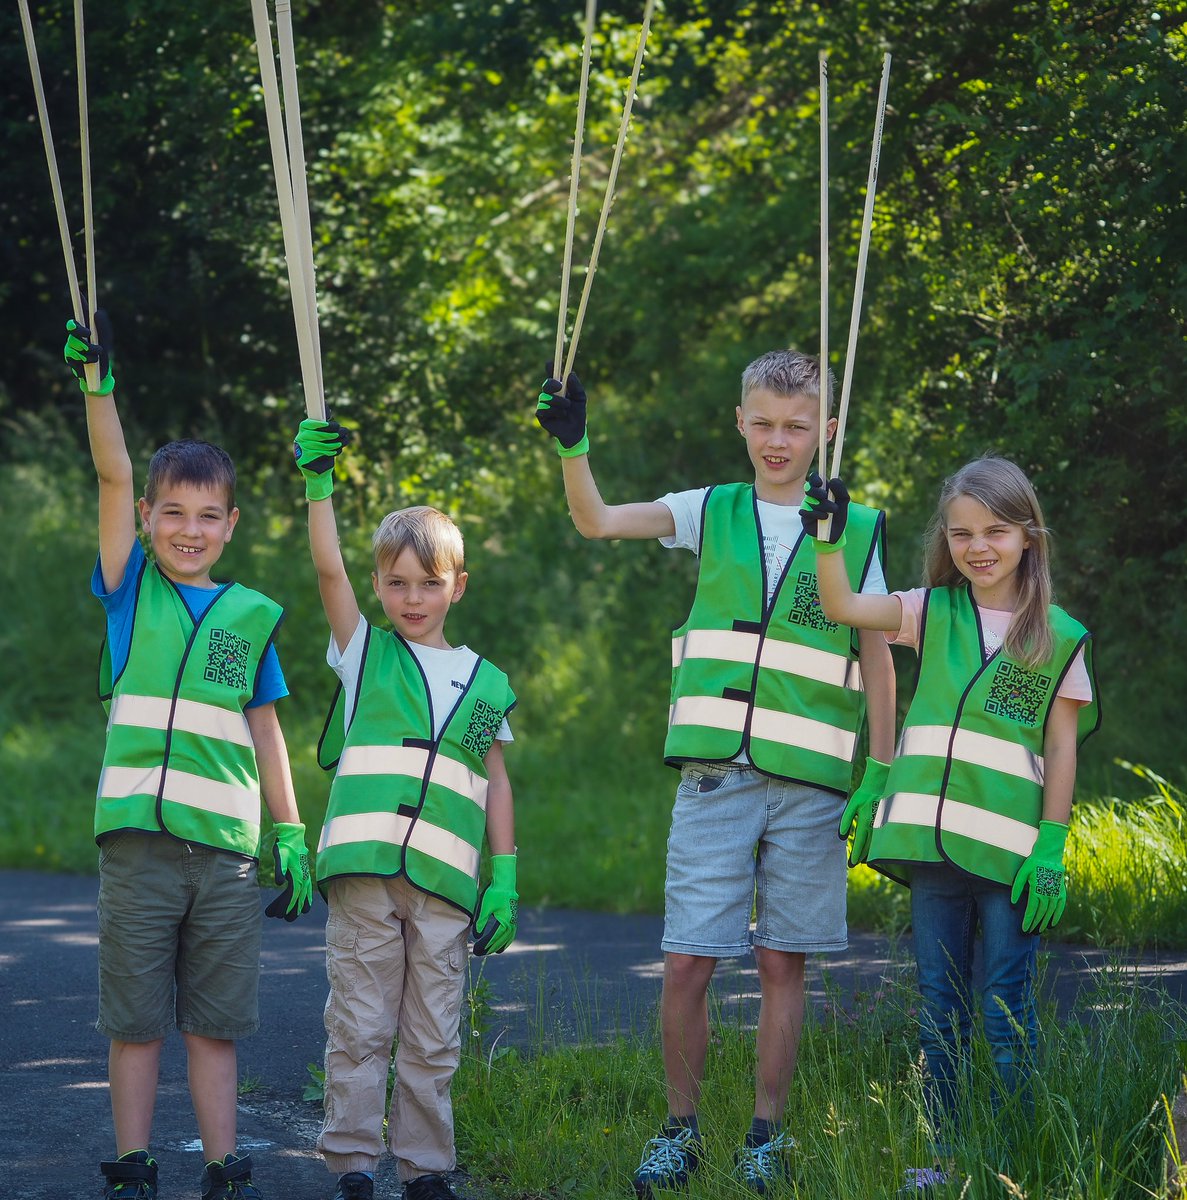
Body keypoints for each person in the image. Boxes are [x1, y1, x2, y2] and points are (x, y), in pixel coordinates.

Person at [535, 350, 897, 1196]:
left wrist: (879, 767)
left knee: (783, 963)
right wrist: (571, 447)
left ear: (827, 432)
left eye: (796, 426)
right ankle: (678, 1128)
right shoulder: (713, 509)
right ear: (739, 422)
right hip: (712, 778)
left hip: (810, 784)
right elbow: (595, 521)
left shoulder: (855, 523)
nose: (778, 440)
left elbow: (877, 655)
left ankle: (765, 1132)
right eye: (763, 423)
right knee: (688, 959)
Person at [64, 316, 314, 1200]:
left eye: (208, 516)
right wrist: (101, 390)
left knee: (215, 1023)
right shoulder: (129, 591)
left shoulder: (250, 617)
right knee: (135, 1021)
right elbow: (112, 469)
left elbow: (268, 730)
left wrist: (291, 833)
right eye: (172, 512)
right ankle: (134, 1161)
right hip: (137, 846)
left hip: (226, 854)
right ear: (146, 519)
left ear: (232, 524)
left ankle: (221, 1161)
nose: (189, 529)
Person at [802, 455, 1099, 1194]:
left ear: (1028, 536)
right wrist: (827, 539)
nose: (978, 547)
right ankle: (946, 1158)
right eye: (962, 532)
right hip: (932, 853)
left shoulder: (1057, 635)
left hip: (1009, 859)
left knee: (1005, 1009)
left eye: (995, 531)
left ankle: (1010, 1159)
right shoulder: (930, 610)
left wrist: (1052, 846)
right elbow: (840, 606)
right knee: (940, 1014)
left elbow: (1060, 745)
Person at [292, 418, 520, 1200]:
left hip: (446, 888)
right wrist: (319, 489)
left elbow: (494, 777)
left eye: (428, 582)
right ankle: (353, 1163)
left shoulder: (484, 682)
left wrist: (506, 878)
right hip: (364, 877)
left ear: (457, 585)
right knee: (358, 1025)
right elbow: (328, 574)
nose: (411, 598)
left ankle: (427, 1170)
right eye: (395, 582)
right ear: (380, 585)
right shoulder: (364, 654)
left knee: (432, 1034)